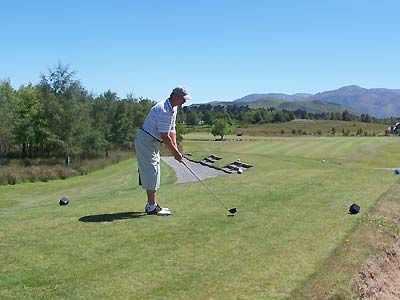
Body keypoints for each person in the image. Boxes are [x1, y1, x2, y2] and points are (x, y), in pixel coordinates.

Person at [134, 86, 191, 216]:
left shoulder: (173, 109)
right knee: (151, 170)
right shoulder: (164, 110)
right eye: (183, 99)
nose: (185, 102)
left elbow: (172, 130)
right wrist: (175, 153)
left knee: (155, 169)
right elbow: (165, 136)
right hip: (145, 141)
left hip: (152, 141)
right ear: (175, 96)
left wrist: (176, 148)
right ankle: (151, 206)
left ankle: (152, 204)